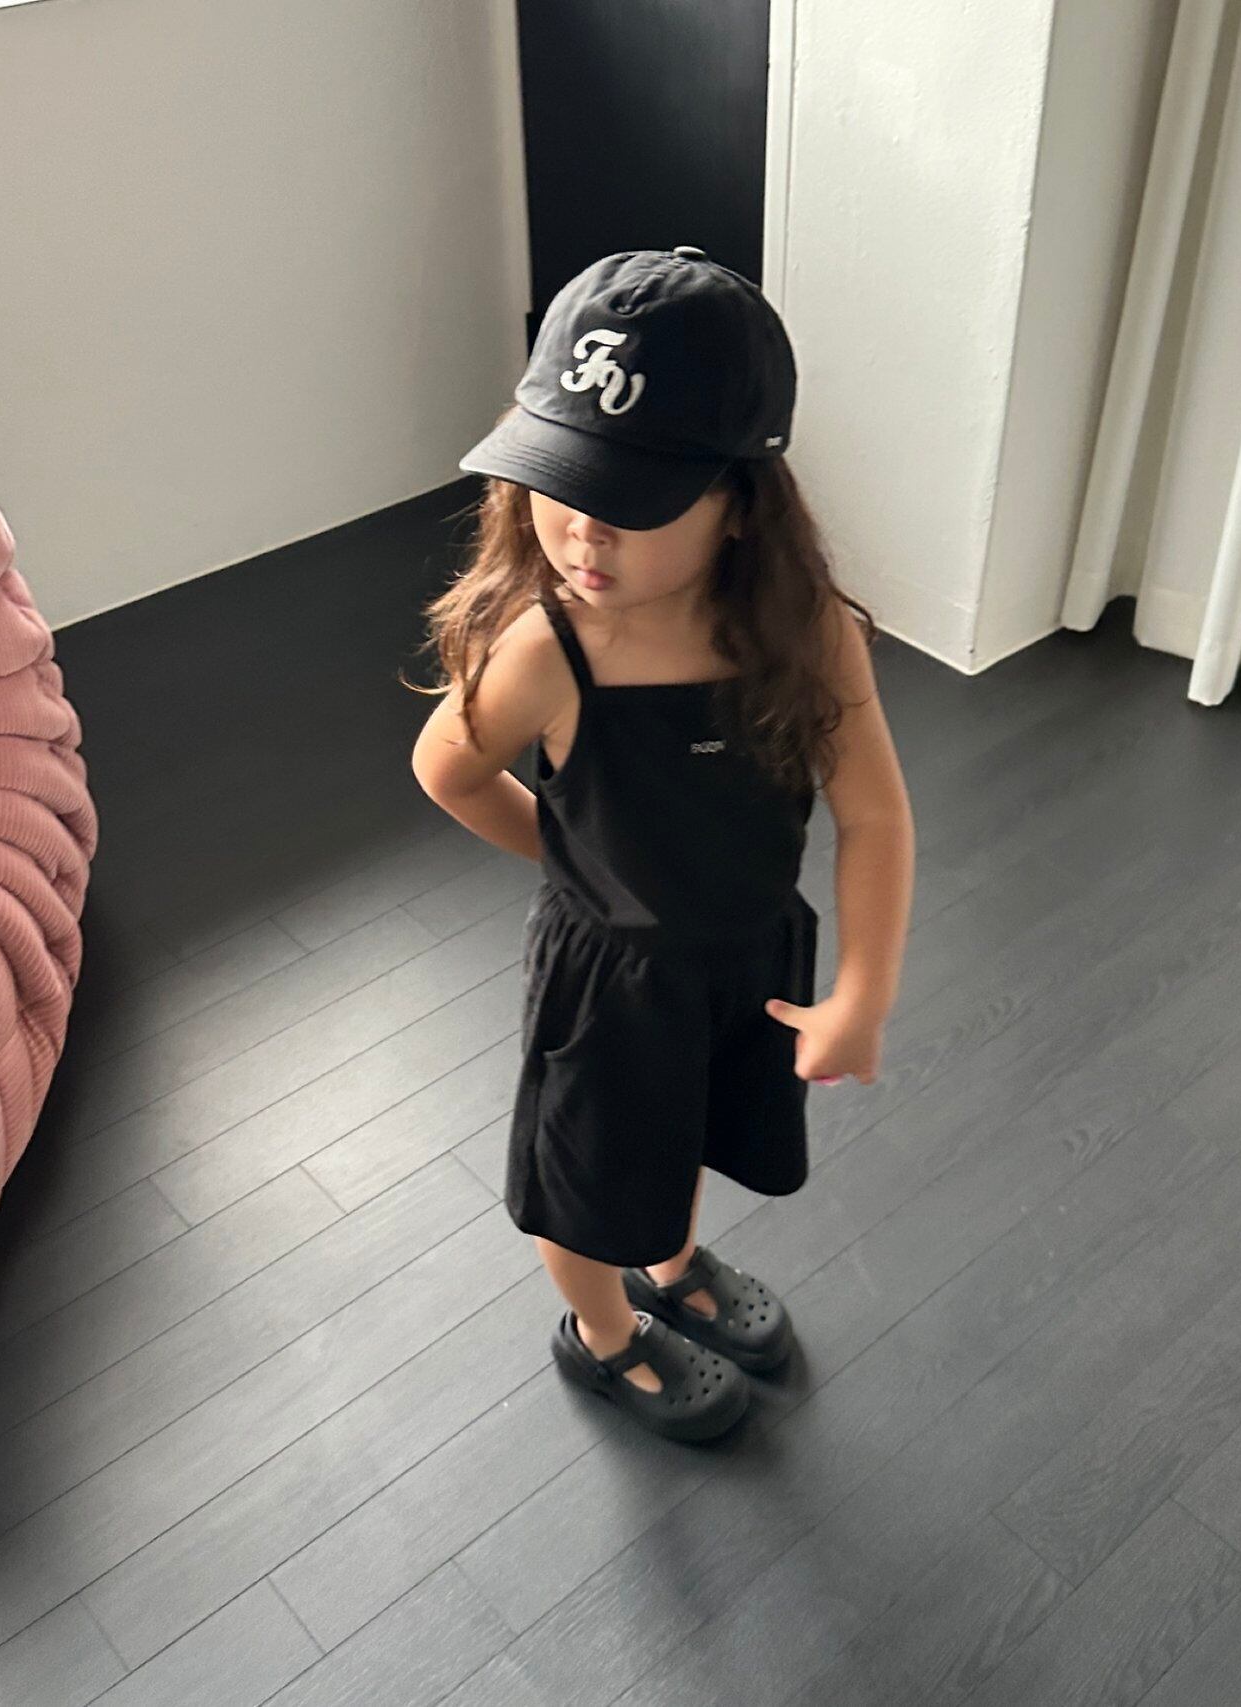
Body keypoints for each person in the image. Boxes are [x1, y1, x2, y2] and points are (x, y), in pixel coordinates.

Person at [409, 247, 914, 1442]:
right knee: (588, 1185)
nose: (581, 528)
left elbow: (875, 815)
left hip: (745, 957)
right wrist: (571, 865)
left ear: (740, 503)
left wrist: (861, 995)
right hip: (612, 984)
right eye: (559, 479)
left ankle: (672, 1261)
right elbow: (447, 770)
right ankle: (603, 1331)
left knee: (677, 1137)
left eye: (630, 498)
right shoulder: (548, 651)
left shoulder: (808, 636)